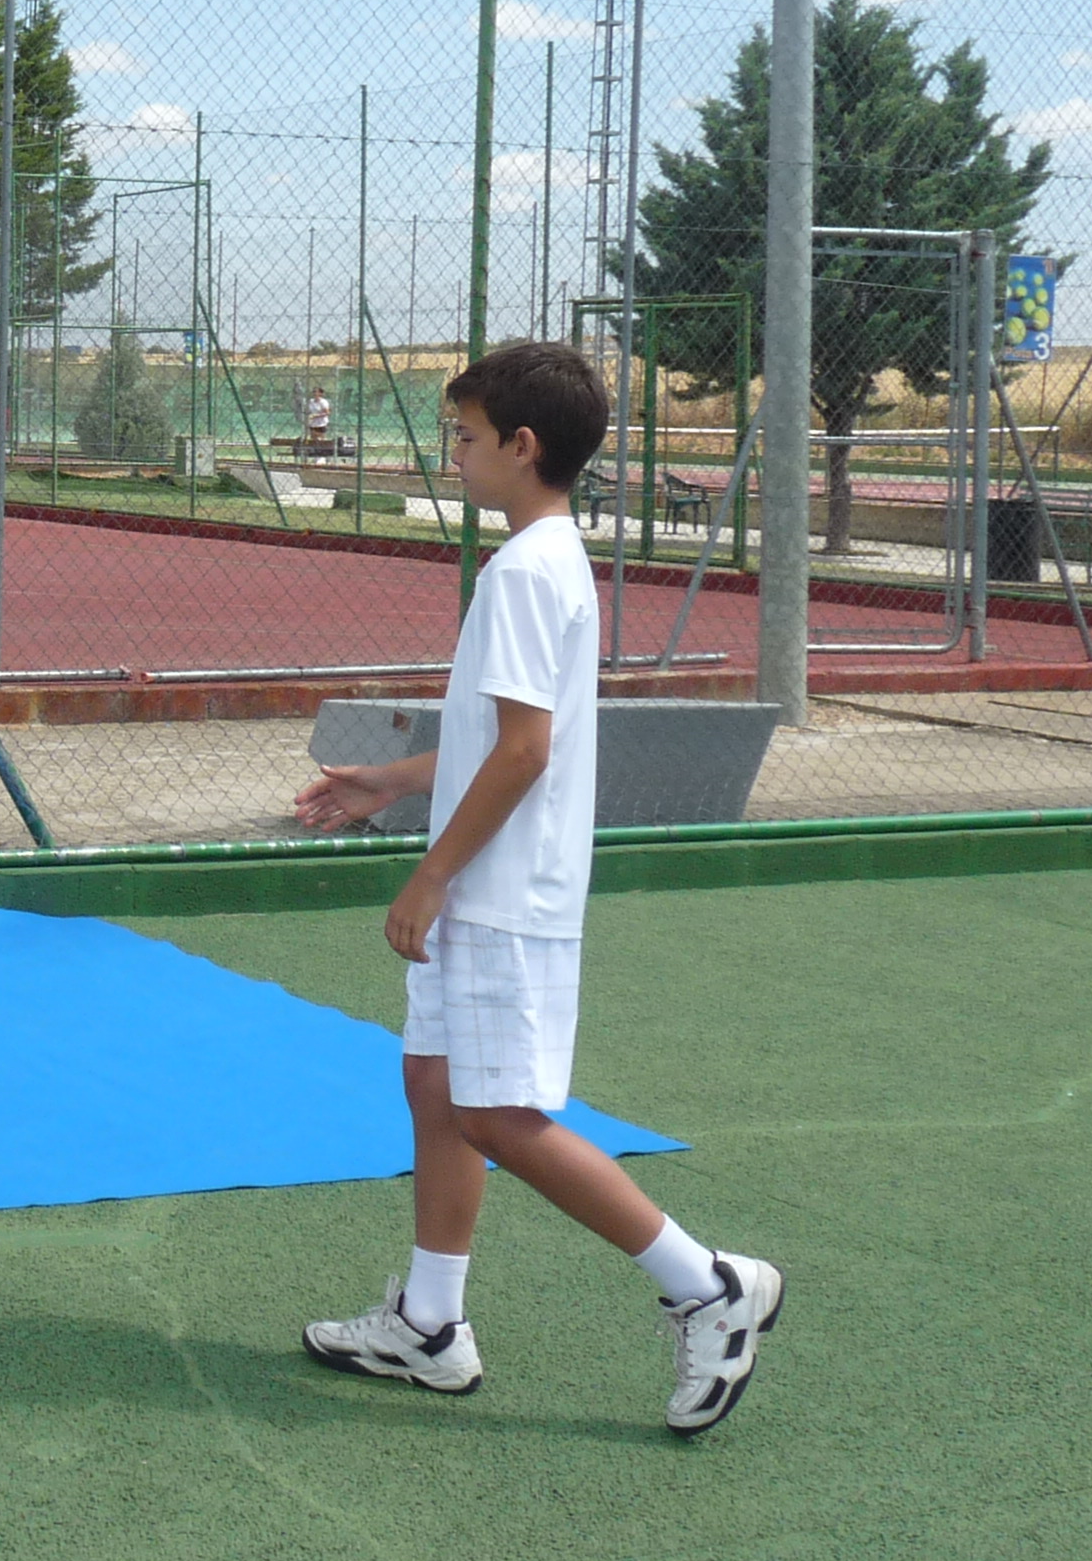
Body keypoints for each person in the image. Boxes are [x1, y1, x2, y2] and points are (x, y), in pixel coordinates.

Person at [289, 338, 784, 1435]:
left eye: (464, 437)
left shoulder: (522, 573)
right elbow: (497, 741)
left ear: (521, 445)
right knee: (434, 1086)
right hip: (496, 890)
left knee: (497, 1114)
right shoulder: (547, 559)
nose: (453, 455)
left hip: (501, 898)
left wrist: (430, 876)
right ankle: (429, 1325)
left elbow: (524, 754)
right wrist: (391, 780)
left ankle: (707, 1285)